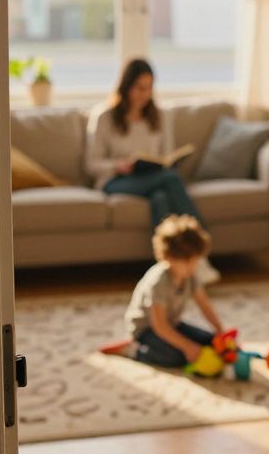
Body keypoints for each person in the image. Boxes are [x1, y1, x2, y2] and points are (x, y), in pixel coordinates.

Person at [86, 58, 219, 284]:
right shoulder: (104, 116)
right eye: (139, 88)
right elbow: (91, 164)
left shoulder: (161, 116)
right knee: (170, 179)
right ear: (126, 86)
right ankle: (199, 251)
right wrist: (119, 165)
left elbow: (166, 157)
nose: (145, 94)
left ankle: (170, 268)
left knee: (160, 197)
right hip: (116, 181)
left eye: (149, 88)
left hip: (153, 178)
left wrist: (165, 163)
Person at [100, 214, 225, 368]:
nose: (193, 265)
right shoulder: (159, 281)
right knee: (176, 357)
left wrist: (220, 332)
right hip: (147, 329)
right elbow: (159, 325)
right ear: (168, 257)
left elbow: (205, 306)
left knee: (210, 342)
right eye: (187, 261)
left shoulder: (191, 275)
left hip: (171, 323)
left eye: (195, 260)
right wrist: (187, 346)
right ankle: (132, 350)